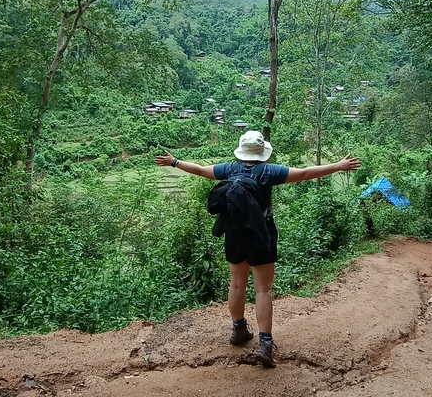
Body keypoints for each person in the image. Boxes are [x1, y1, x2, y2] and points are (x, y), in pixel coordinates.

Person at [155, 130, 361, 368]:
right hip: (261, 235)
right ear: (263, 152)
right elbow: (304, 173)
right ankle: (265, 345)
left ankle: (239, 330)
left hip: (233, 234)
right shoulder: (269, 171)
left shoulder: (229, 169)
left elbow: (201, 169)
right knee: (262, 290)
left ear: (241, 151)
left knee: (236, 284)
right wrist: (338, 166)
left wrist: (174, 162)